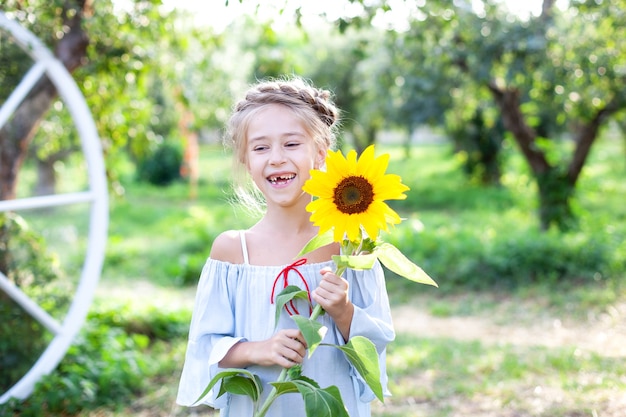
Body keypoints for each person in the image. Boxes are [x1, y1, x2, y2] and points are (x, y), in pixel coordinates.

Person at [176, 77, 395, 416]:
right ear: (246, 161)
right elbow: (205, 347)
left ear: (320, 153)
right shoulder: (233, 251)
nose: (276, 159)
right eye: (260, 148)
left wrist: (343, 311)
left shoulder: (350, 248)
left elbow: (377, 341)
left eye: (291, 144)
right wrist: (257, 350)